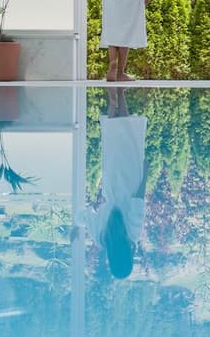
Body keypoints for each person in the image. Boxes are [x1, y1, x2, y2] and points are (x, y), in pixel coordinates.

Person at [74, 88, 148, 279]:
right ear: (111, 260)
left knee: (129, 132)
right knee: (113, 137)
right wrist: (80, 221)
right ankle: (115, 94)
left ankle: (120, 92)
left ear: (128, 259)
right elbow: (83, 216)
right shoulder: (100, 238)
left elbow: (138, 198)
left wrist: (146, 170)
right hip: (112, 182)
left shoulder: (133, 235)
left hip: (131, 178)